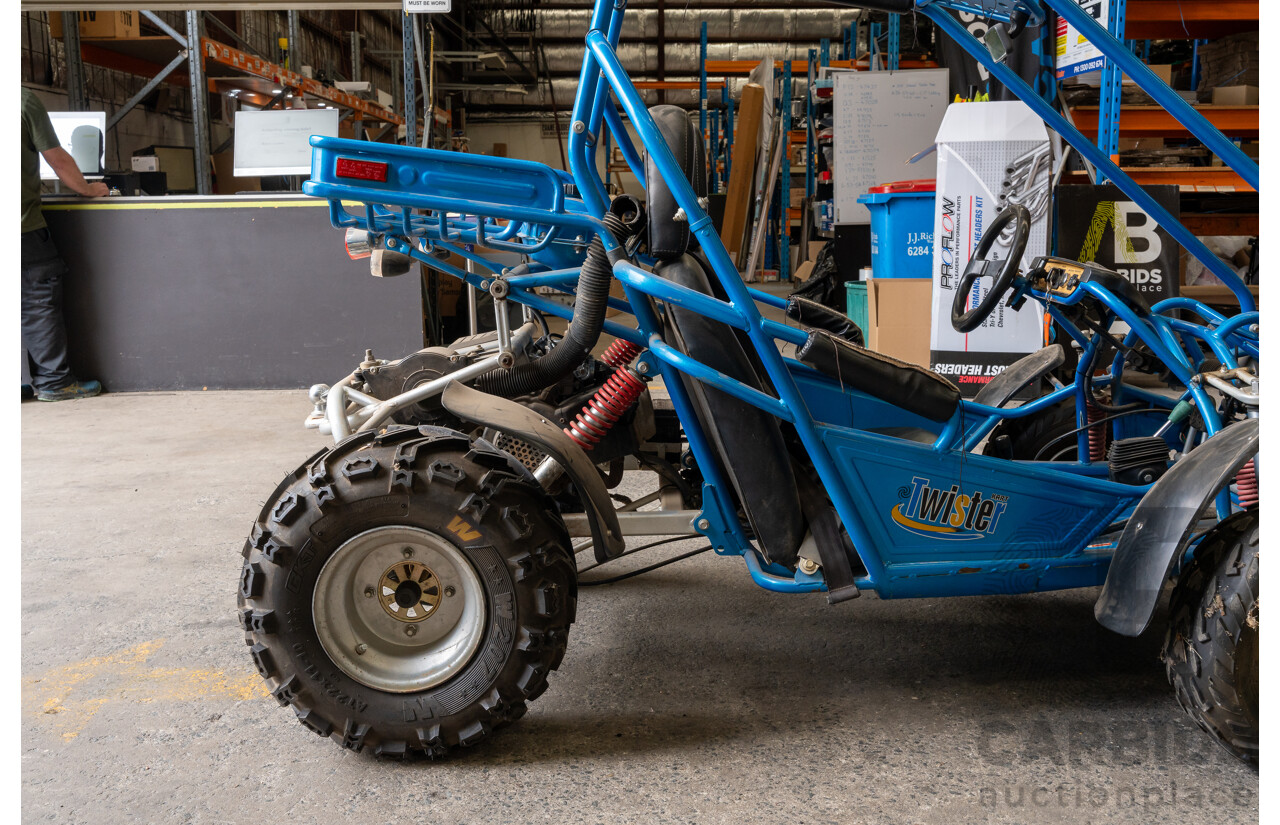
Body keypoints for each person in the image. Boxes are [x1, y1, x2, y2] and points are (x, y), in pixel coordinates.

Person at [21, 88, 108, 401]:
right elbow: (56, 158)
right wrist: (85, 189)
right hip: (22, 228)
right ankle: (54, 382)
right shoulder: (21, 100)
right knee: (36, 300)